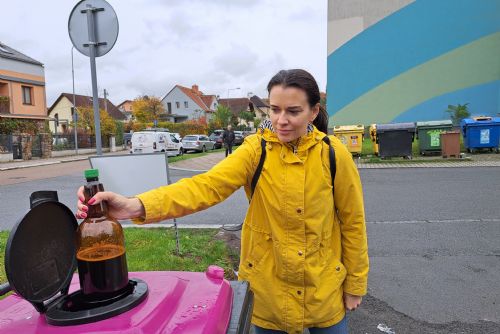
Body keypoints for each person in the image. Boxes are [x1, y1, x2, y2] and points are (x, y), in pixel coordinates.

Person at [76, 69, 369, 334]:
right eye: (275, 109)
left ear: (313, 111)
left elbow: (353, 222)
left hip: (324, 290)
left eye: (293, 111)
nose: (281, 120)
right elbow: (205, 187)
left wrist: (355, 285)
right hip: (270, 292)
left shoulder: (333, 155)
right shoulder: (256, 150)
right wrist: (134, 205)